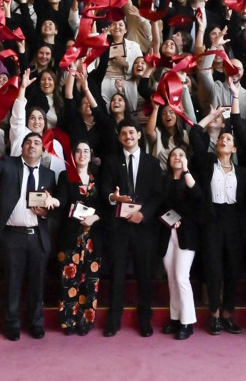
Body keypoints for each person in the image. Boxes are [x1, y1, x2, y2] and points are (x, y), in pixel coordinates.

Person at [0, 130, 59, 341]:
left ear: (42, 149)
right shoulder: (8, 164)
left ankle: (36, 323)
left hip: (37, 236)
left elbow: (53, 209)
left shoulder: (49, 175)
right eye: (28, 142)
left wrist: (46, 212)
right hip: (11, 236)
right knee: (11, 283)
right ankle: (12, 324)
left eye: (37, 143)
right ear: (22, 147)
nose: (32, 146)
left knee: (37, 283)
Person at [100, 119, 163, 338]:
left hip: (143, 227)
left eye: (132, 133)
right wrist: (113, 197)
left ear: (138, 135)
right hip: (118, 227)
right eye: (124, 133)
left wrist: (143, 215)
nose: (128, 136)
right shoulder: (110, 161)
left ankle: (145, 321)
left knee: (144, 275)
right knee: (117, 274)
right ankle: (113, 321)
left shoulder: (152, 163)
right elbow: (104, 190)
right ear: (119, 138)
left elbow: (157, 195)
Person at [191, 116, 246, 336]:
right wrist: (210, 118)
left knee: (233, 270)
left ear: (234, 149)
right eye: (221, 139)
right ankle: (214, 316)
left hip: (234, 221)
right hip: (212, 219)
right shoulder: (207, 163)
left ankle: (227, 315)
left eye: (228, 139)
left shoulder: (242, 173)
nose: (223, 141)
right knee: (214, 269)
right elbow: (195, 134)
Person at [54, 141, 104, 335]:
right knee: (69, 280)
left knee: (90, 282)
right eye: (78, 151)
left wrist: (95, 217)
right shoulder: (65, 176)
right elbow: (61, 200)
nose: (82, 154)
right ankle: (68, 321)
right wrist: (53, 200)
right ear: (73, 155)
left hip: (93, 237)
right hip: (71, 236)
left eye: (86, 151)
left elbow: (106, 207)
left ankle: (85, 322)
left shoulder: (98, 177)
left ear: (90, 155)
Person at [160, 148, 202, 340]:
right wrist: (170, 221)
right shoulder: (163, 181)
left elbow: (198, 197)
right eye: (174, 155)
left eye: (182, 155)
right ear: (168, 161)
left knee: (181, 276)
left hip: (187, 234)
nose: (177, 157)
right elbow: (159, 206)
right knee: (171, 277)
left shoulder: (190, 178)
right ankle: (175, 318)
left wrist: (186, 171)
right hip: (168, 233)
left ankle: (187, 322)